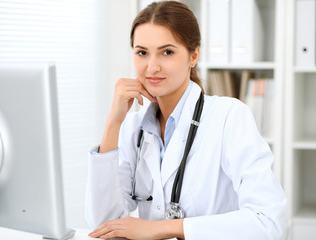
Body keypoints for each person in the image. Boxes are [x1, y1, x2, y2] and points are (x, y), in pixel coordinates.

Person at [85, 1, 288, 239]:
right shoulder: (133, 127)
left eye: (167, 52)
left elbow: (270, 222)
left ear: (193, 55)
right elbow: (104, 226)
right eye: (142, 52)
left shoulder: (229, 117)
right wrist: (113, 123)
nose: (151, 67)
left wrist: (163, 228)